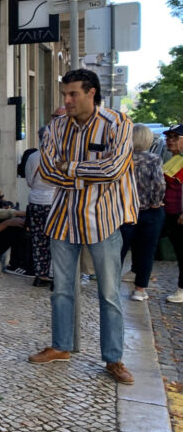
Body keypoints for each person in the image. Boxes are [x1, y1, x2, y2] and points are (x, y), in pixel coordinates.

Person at [28, 69, 138, 385]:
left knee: (109, 293)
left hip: (103, 221)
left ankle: (114, 359)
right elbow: (47, 171)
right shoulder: (56, 127)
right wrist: (87, 172)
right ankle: (61, 347)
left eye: (73, 93)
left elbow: (115, 168)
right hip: (63, 219)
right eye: (65, 94)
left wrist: (71, 167)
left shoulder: (117, 124)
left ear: (91, 93)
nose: (67, 100)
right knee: (61, 290)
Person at [118, 124, 165, 301]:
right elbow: (159, 183)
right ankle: (139, 289)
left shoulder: (123, 159)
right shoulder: (153, 159)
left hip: (125, 211)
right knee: (147, 250)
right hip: (149, 212)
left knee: (119, 251)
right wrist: (156, 201)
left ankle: (111, 286)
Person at [25, 126, 56, 288]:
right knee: (56, 240)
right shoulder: (58, 157)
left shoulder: (32, 158)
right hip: (54, 202)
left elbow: (29, 181)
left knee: (38, 240)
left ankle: (41, 274)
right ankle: (55, 274)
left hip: (36, 201)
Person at [162, 124, 183, 303]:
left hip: (179, 214)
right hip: (171, 213)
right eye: (168, 137)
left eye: (175, 137)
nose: (170, 141)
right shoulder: (175, 159)